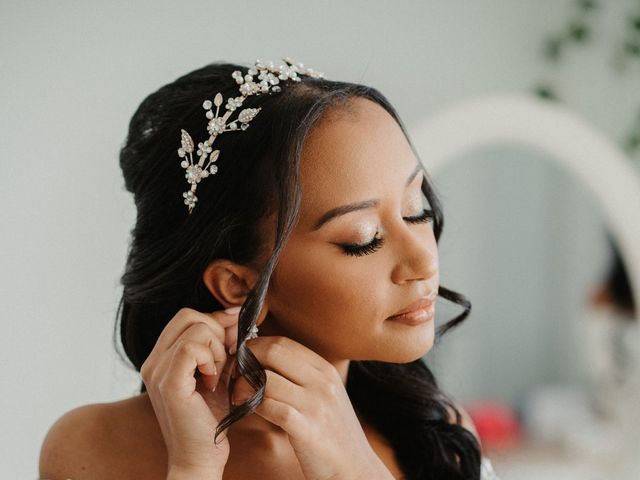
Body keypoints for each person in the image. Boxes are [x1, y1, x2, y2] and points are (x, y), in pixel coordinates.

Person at [38, 58, 501, 480]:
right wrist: (193, 467)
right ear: (237, 284)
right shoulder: (92, 449)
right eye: (362, 238)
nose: (424, 260)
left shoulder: (436, 435)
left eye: (416, 207)